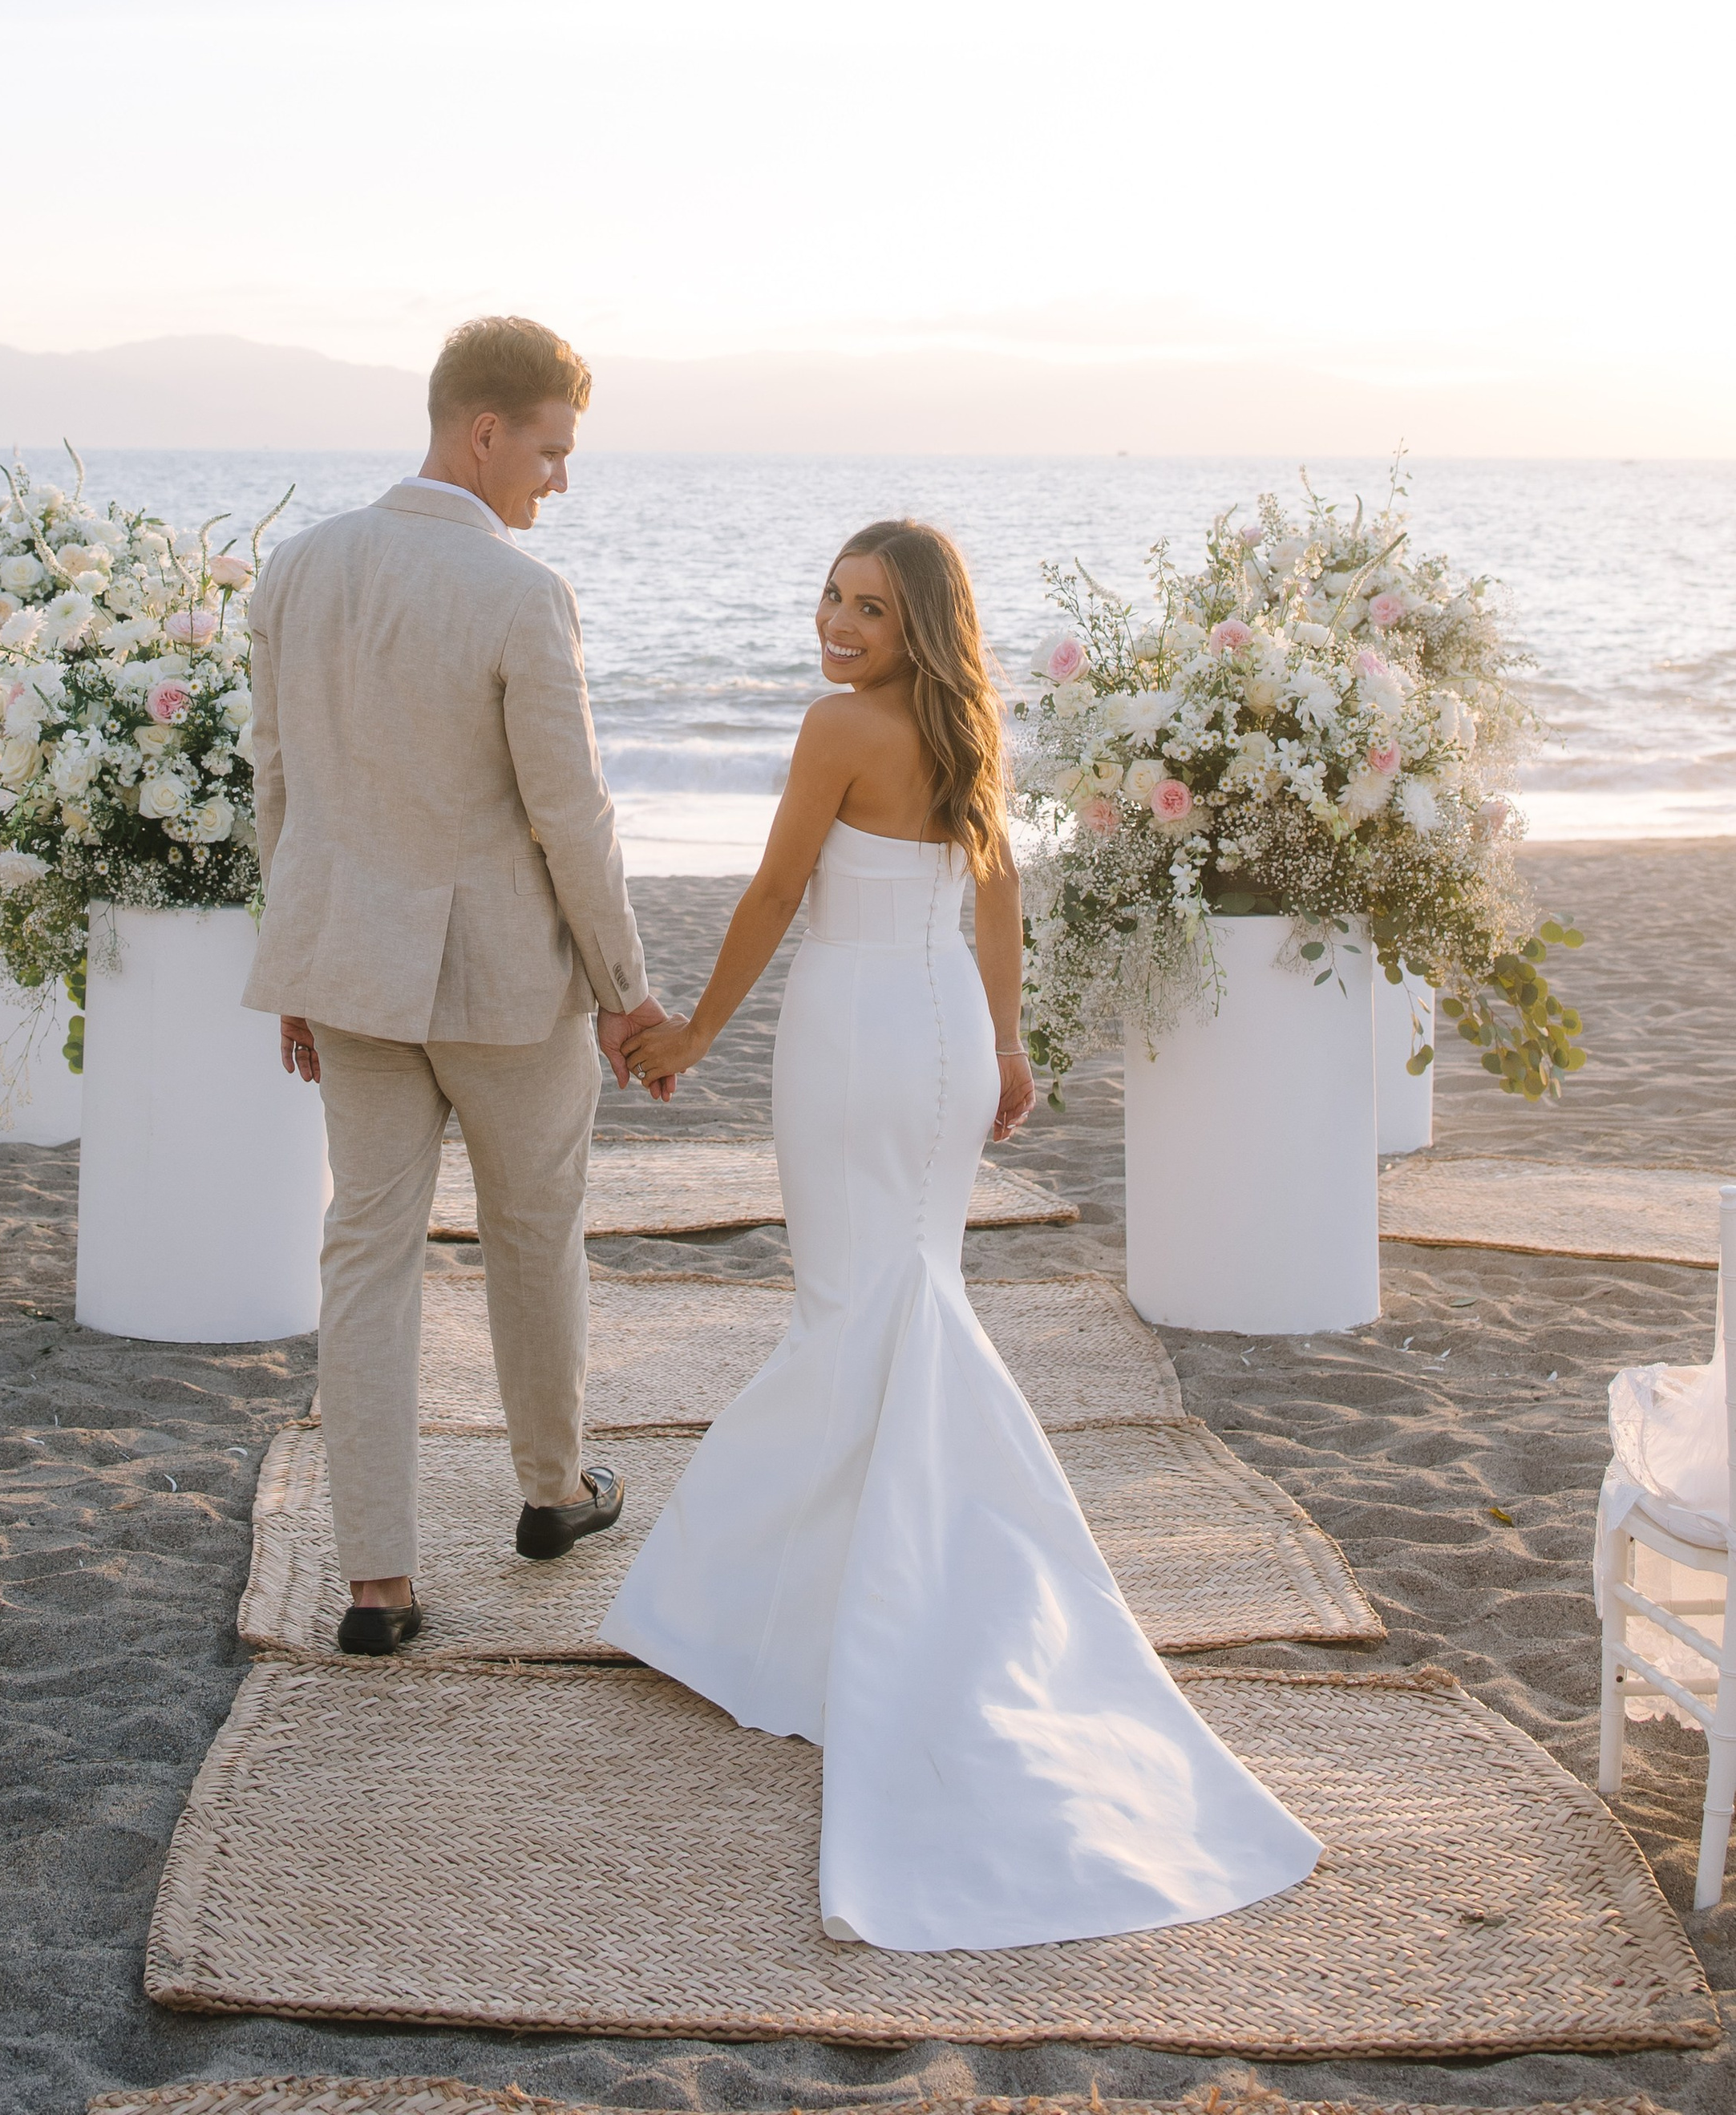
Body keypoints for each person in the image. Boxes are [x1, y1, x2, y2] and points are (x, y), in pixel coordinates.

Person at [603, 518, 1321, 1950]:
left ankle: (772, 1611)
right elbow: (997, 893)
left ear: (920, 622)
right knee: (905, 1298)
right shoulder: (969, 728)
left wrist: (693, 1028)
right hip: (934, 1033)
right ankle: (860, 1593)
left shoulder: (834, 731)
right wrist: (1003, 1044)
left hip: (859, 1030)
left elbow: (770, 895)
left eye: (869, 606)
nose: (838, 622)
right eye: (829, 596)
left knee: (845, 1311)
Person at [243, 315, 673, 1656]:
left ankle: (378, 1586)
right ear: (484, 430)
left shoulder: (296, 570)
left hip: (354, 978)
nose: (559, 481)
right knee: (533, 1233)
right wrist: (625, 988)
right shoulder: (520, 597)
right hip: (504, 988)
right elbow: (572, 818)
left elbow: (278, 789)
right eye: (550, 451)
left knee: (365, 1258)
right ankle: (552, 1493)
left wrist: (301, 968)